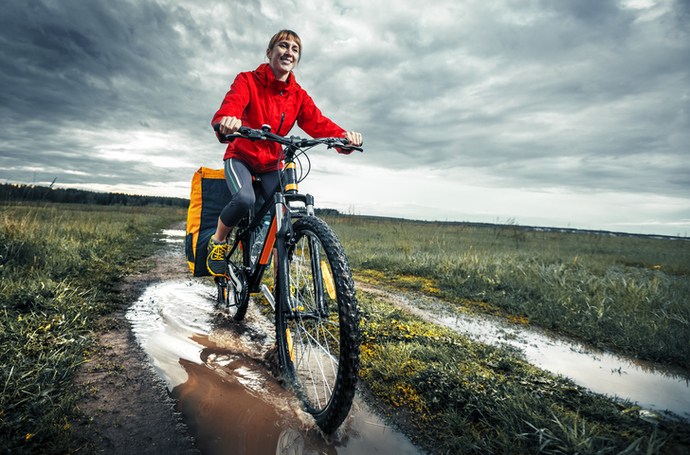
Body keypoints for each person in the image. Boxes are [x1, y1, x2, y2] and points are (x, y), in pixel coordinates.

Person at [207, 29, 363, 276]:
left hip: (272, 163)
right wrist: (228, 121)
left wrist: (344, 138)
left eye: (295, 49)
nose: (288, 51)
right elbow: (232, 104)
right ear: (269, 53)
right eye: (283, 45)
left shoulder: (298, 95)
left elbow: (317, 122)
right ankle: (217, 242)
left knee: (285, 219)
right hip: (242, 157)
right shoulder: (247, 80)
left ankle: (283, 289)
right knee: (245, 199)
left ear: (297, 59)